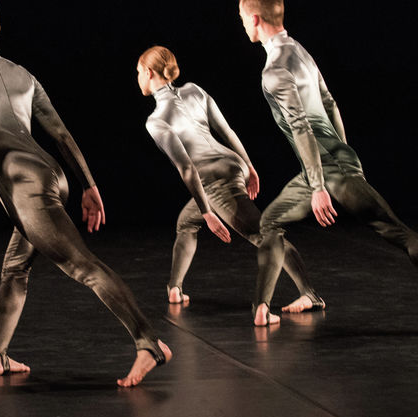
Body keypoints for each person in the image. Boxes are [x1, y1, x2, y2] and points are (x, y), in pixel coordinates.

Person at [0, 0, 171, 387]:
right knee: (15, 269)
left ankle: (149, 343)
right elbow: (61, 134)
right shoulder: (22, 75)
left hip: (26, 188)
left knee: (83, 267)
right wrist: (88, 185)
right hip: (51, 175)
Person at [237, 0, 418, 334]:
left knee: (392, 229)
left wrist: (322, 184)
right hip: (325, 165)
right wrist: (343, 154)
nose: (243, 25)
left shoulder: (274, 70)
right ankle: (271, 305)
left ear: (256, 19)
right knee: (270, 222)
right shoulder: (299, 51)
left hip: (324, 171)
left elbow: (301, 126)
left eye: (243, 18)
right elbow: (330, 103)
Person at [137, 45, 325, 318]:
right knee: (186, 222)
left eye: (138, 72)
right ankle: (174, 288)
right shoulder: (194, 90)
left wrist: (208, 213)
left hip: (214, 181)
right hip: (231, 165)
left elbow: (188, 169)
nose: (138, 78)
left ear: (149, 72)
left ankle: (310, 294)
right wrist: (248, 166)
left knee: (265, 236)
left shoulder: (155, 121)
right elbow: (227, 131)